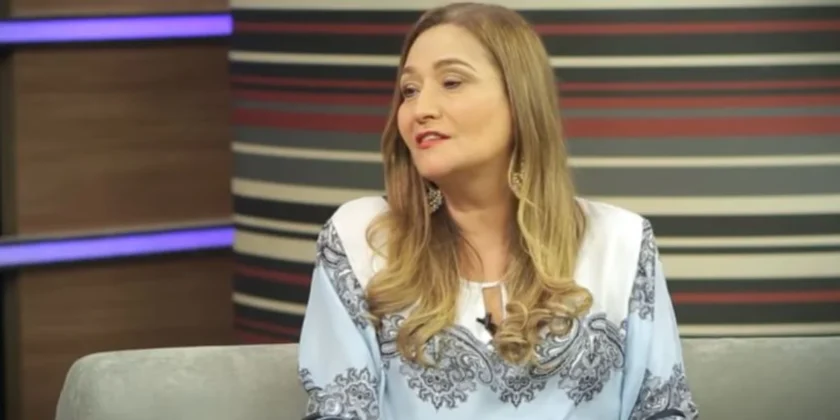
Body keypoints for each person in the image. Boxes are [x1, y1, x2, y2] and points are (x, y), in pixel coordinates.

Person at [296, 3, 699, 419]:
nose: (420, 109)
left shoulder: (620, 243)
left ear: (519, 99)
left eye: (451, 82)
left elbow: (662, 409)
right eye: (410, 90)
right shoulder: (362, 241)